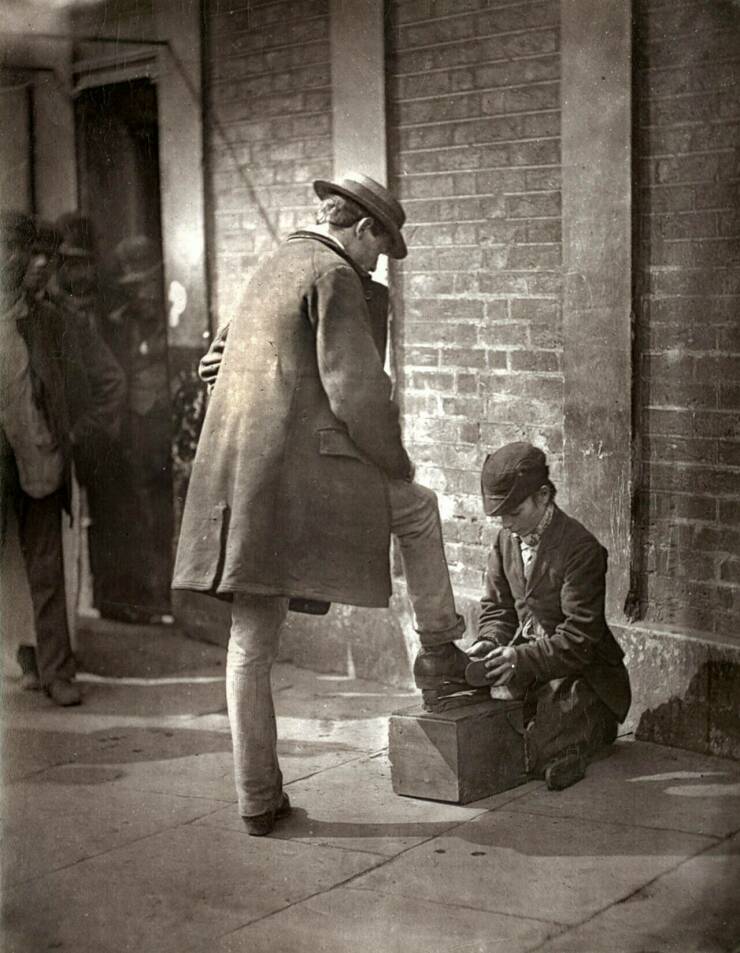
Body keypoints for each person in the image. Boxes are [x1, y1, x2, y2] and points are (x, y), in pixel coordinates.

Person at [173, 172, 474, 835]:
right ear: (360, 228)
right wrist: (395, 461)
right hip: (304, 481)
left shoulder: (273, 264)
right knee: (419, 507)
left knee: (250, 645)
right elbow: (356, 395)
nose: (375, 264)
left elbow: (213, 362)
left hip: (242, 485)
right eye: (379, 248)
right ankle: (441, 653)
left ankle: (258, 799)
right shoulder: (335, 276)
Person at [0, 211, 125, 705]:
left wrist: (75, 433)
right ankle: (28, 658)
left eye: (42, 256)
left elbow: (104, 381)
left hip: (40, 459)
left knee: (45, 564)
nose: (34, 264)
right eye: (21, 252)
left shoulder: (52, 321)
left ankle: (55, 669)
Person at [465, 442, 632, 790]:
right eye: (500, 515)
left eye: (514, 511)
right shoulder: (505, 541)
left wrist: (519, 659)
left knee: (533, 741)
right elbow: (498, 609)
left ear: (543, 496)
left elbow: (579, 639)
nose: (507, 523)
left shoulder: (580, 549)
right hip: (533, 668)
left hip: (582, 675)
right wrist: (489, 642)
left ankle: (585, 737)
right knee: (488, 728)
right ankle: (556, 744)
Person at [90, 235, 173, 623]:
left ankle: (164, 594)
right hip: (134, 425)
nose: (140, 292)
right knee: (136, 510)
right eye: (133, 286)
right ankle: (146, 596)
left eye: (144, 283)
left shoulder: (173, 315)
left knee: (160, 509)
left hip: (163, 421)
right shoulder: (120, 324)